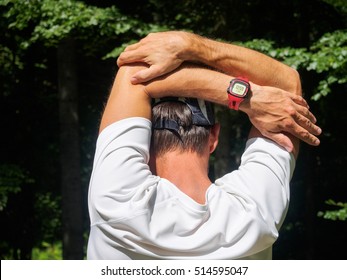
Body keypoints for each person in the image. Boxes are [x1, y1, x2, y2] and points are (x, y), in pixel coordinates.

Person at [87, 31, 322, 260]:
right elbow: (289, 84)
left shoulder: (117, 199)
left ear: (142, 141)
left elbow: (135, 73)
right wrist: (192, 46)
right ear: (213, 137)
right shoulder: (255, 210)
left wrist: (250, 99)